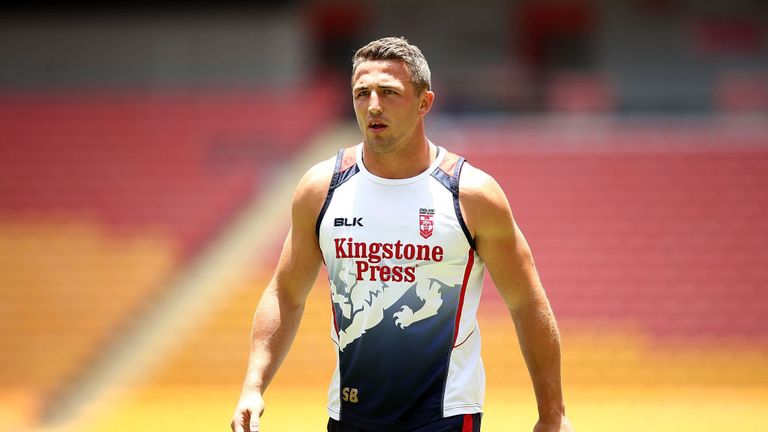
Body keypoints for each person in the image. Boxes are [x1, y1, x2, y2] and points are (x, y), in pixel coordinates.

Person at [231, 36, 573, 432]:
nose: (373, 105)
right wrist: (253, 386)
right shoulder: (321, 189)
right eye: (362, 93)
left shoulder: (471, 195)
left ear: (424, 102)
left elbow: (527, 302)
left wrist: (553, 413)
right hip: (350, 416)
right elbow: (285, 294)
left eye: (388, 92)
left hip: (444, 417)